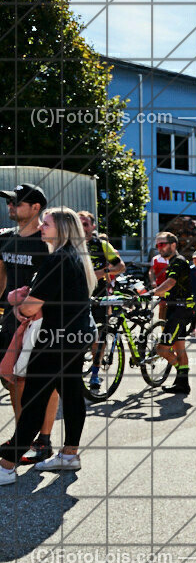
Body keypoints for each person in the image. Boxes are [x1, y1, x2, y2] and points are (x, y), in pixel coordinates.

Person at [0, 207, 97, 484]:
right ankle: (69, 454)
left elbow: (30, 307)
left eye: (47, 223)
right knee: (72, 394)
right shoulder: (75, 257)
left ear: (62, 229)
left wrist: (16, 303)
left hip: (53, 340)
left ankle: (7, 466)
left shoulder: (58, 258)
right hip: (74, 337)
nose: (41, 227)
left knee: (34, 400)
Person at [0, 184, 59, 464]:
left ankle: (43, 440)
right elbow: (1, 277)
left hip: (42, 322)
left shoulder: (47, 241)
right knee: (13, 380)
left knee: (44, 382)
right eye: (9, 202)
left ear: (36, 208)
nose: (10, 206)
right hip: (11, 320)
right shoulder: (4, 239)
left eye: (17, 202)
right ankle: (22, 436)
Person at [79, 210, 125, 392]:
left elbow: (120, 266)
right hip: (76, 295)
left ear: (93, 227)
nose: (82, 228)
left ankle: (95, 373)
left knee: (98, 337)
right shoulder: (70, 244)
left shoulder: (102, 245)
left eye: (85, 224)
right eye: (79, 223)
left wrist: (101, 272)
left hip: (99, 296)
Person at [148, 232, 194, 394]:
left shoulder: (178, 262)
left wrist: (151, 292)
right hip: (179, 309)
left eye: (162, 244)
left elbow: (171, 283)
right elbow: (174, 288)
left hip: (180, 311)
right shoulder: (174, 262)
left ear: (173, 245)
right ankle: (182, 384)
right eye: (157, 246)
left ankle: (182, 376)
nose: (159, 248)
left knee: (162, 349)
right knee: (179, 348)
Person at [150, 248, 169, 320]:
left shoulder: (171, 259)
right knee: (162, 305)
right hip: (160, 285)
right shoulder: (155, 259)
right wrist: (152, 281)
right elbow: (151, 271)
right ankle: (161, 323)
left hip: (170, 284)